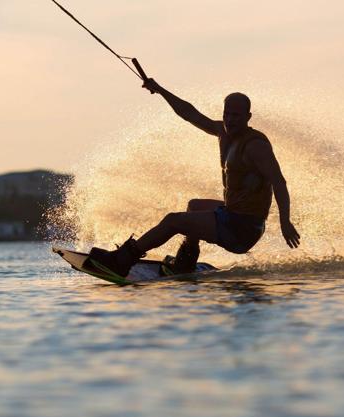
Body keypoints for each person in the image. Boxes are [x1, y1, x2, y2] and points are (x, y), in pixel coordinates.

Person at [89, 78, 300, 277]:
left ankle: (122, 260)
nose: (230, 120)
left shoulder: (255, 145)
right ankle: (185, 262)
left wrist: (285, 221)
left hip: (243, 227)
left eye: (236, 116)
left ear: (248, 117)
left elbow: (279, 181)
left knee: (173, 221)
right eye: (227, 114)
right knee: (195, 205)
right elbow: (190, 114)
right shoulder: (222, 132)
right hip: (233, 214)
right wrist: (160, 90)